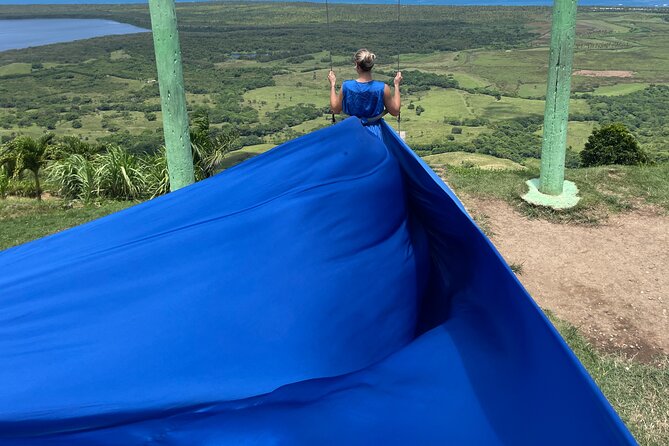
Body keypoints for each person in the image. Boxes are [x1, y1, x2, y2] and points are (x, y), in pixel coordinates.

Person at [328, 49, 402, 138]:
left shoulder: (347, 86)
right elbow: (395, 111)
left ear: (357, 66)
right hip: (375, 133)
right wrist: (396, 85)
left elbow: (335, 109)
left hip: (351, 131)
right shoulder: (382, 88)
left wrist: (332, 85)